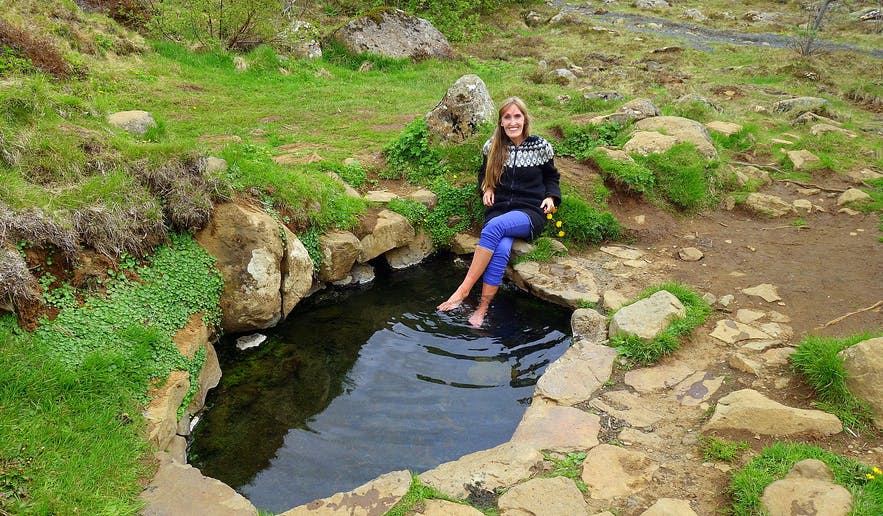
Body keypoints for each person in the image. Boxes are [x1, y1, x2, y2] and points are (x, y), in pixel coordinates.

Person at [437, 96, 561, 327]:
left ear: (524, 119)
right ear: (501, 122)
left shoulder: (540, 146)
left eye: (517, 116)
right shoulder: (492, 146)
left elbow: (552, 177)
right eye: (507, 117)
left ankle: (463, 290)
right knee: (501, 247)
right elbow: (483, 175)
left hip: (530, 212)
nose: (513, 122)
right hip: (500, 209)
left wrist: (551, 197)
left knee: (495, 227)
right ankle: (483, 308)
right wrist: (487, 188)